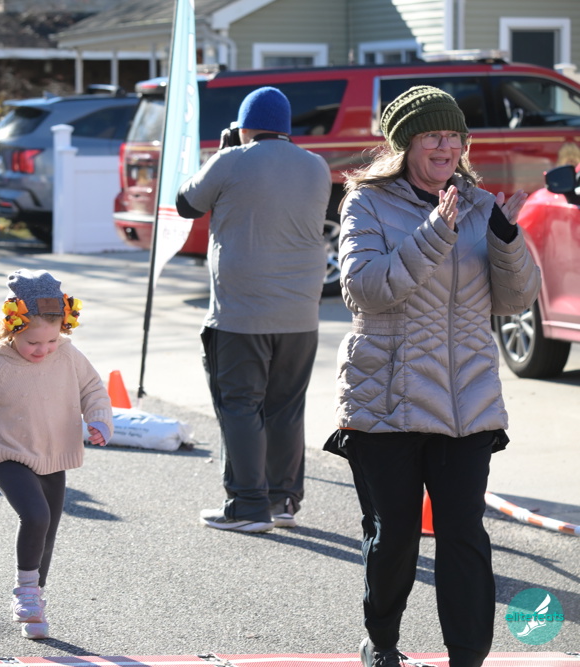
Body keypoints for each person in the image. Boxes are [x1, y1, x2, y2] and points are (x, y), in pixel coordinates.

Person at [323, 86, 540, 667]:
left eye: (454, 136)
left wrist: (507, 240)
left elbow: (516, 299)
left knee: (463, 535)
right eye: (432, 136)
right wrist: (435, 233)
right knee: (394, 536)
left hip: (467, 402)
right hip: (386, 400)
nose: (446, 147)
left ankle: (467, 657)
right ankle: (382, 642)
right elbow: (364, 289)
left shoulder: (480, 205)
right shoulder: (366, 203)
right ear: (405, 145)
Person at [176, 86, 331, 533]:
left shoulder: (230, 160)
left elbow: (186, 203)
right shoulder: (316, 165)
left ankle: (247, 505)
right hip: (300, 315)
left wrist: (222, 153)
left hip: (241, 313)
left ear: (244, 126)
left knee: (240, 406)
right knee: (286, 408)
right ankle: (282, 501)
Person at [0, 269, 113, 640]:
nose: (43, 349)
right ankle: (25, 593)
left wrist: (99, 418)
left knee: (48, 528)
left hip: (54, 454)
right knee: (35, 516)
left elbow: (93, 389)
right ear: (12, 329)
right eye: (34, 342)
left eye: (51, 339)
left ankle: (35, 602)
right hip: (10, 455)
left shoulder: (67, 355)